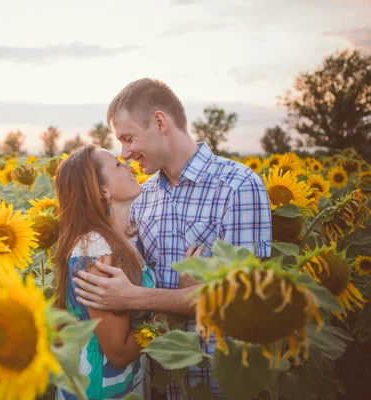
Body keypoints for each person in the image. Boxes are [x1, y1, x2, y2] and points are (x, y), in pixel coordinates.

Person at [72, 78, 273, 399]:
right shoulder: (142, 197)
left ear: (160, 123)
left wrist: (133, 297)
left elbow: (237, 299)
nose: (124, 152)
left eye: (128, 138)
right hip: (158, 382)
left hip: (220, 378)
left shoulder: (237, 186)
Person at [54, 144, 203, 400]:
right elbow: (119, 352)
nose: (128, 164)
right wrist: (179, 301)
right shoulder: (97, 251)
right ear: (103, 190)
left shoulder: (119, 241)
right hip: (102, 387)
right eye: (117, 164)